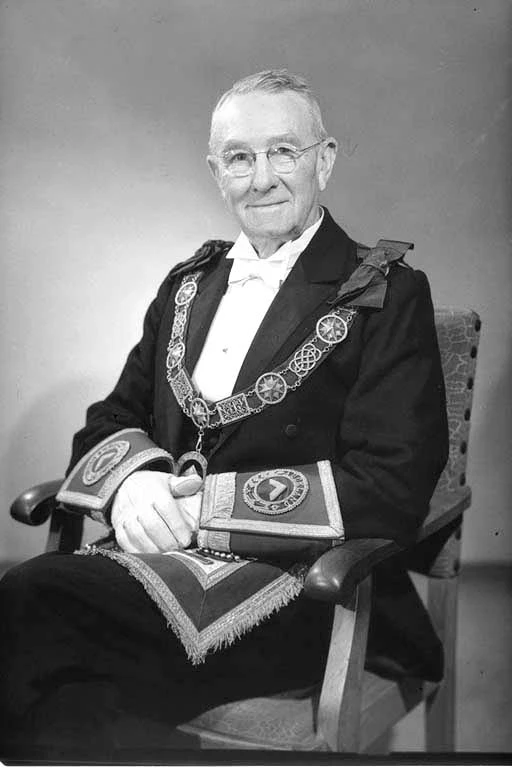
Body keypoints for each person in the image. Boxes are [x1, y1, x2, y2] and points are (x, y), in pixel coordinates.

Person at [0, 69, 448, 759]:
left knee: (33, 601)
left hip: (304, 596)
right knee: (71, 702)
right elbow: (110, 417)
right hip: (159, 582)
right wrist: (134, 482)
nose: (261, 177)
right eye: (240, 157)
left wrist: (208, 506)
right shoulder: (187, 286)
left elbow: (392, 482)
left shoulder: (388, 295)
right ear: (217, 173)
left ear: (323, 160)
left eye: (284, 152)